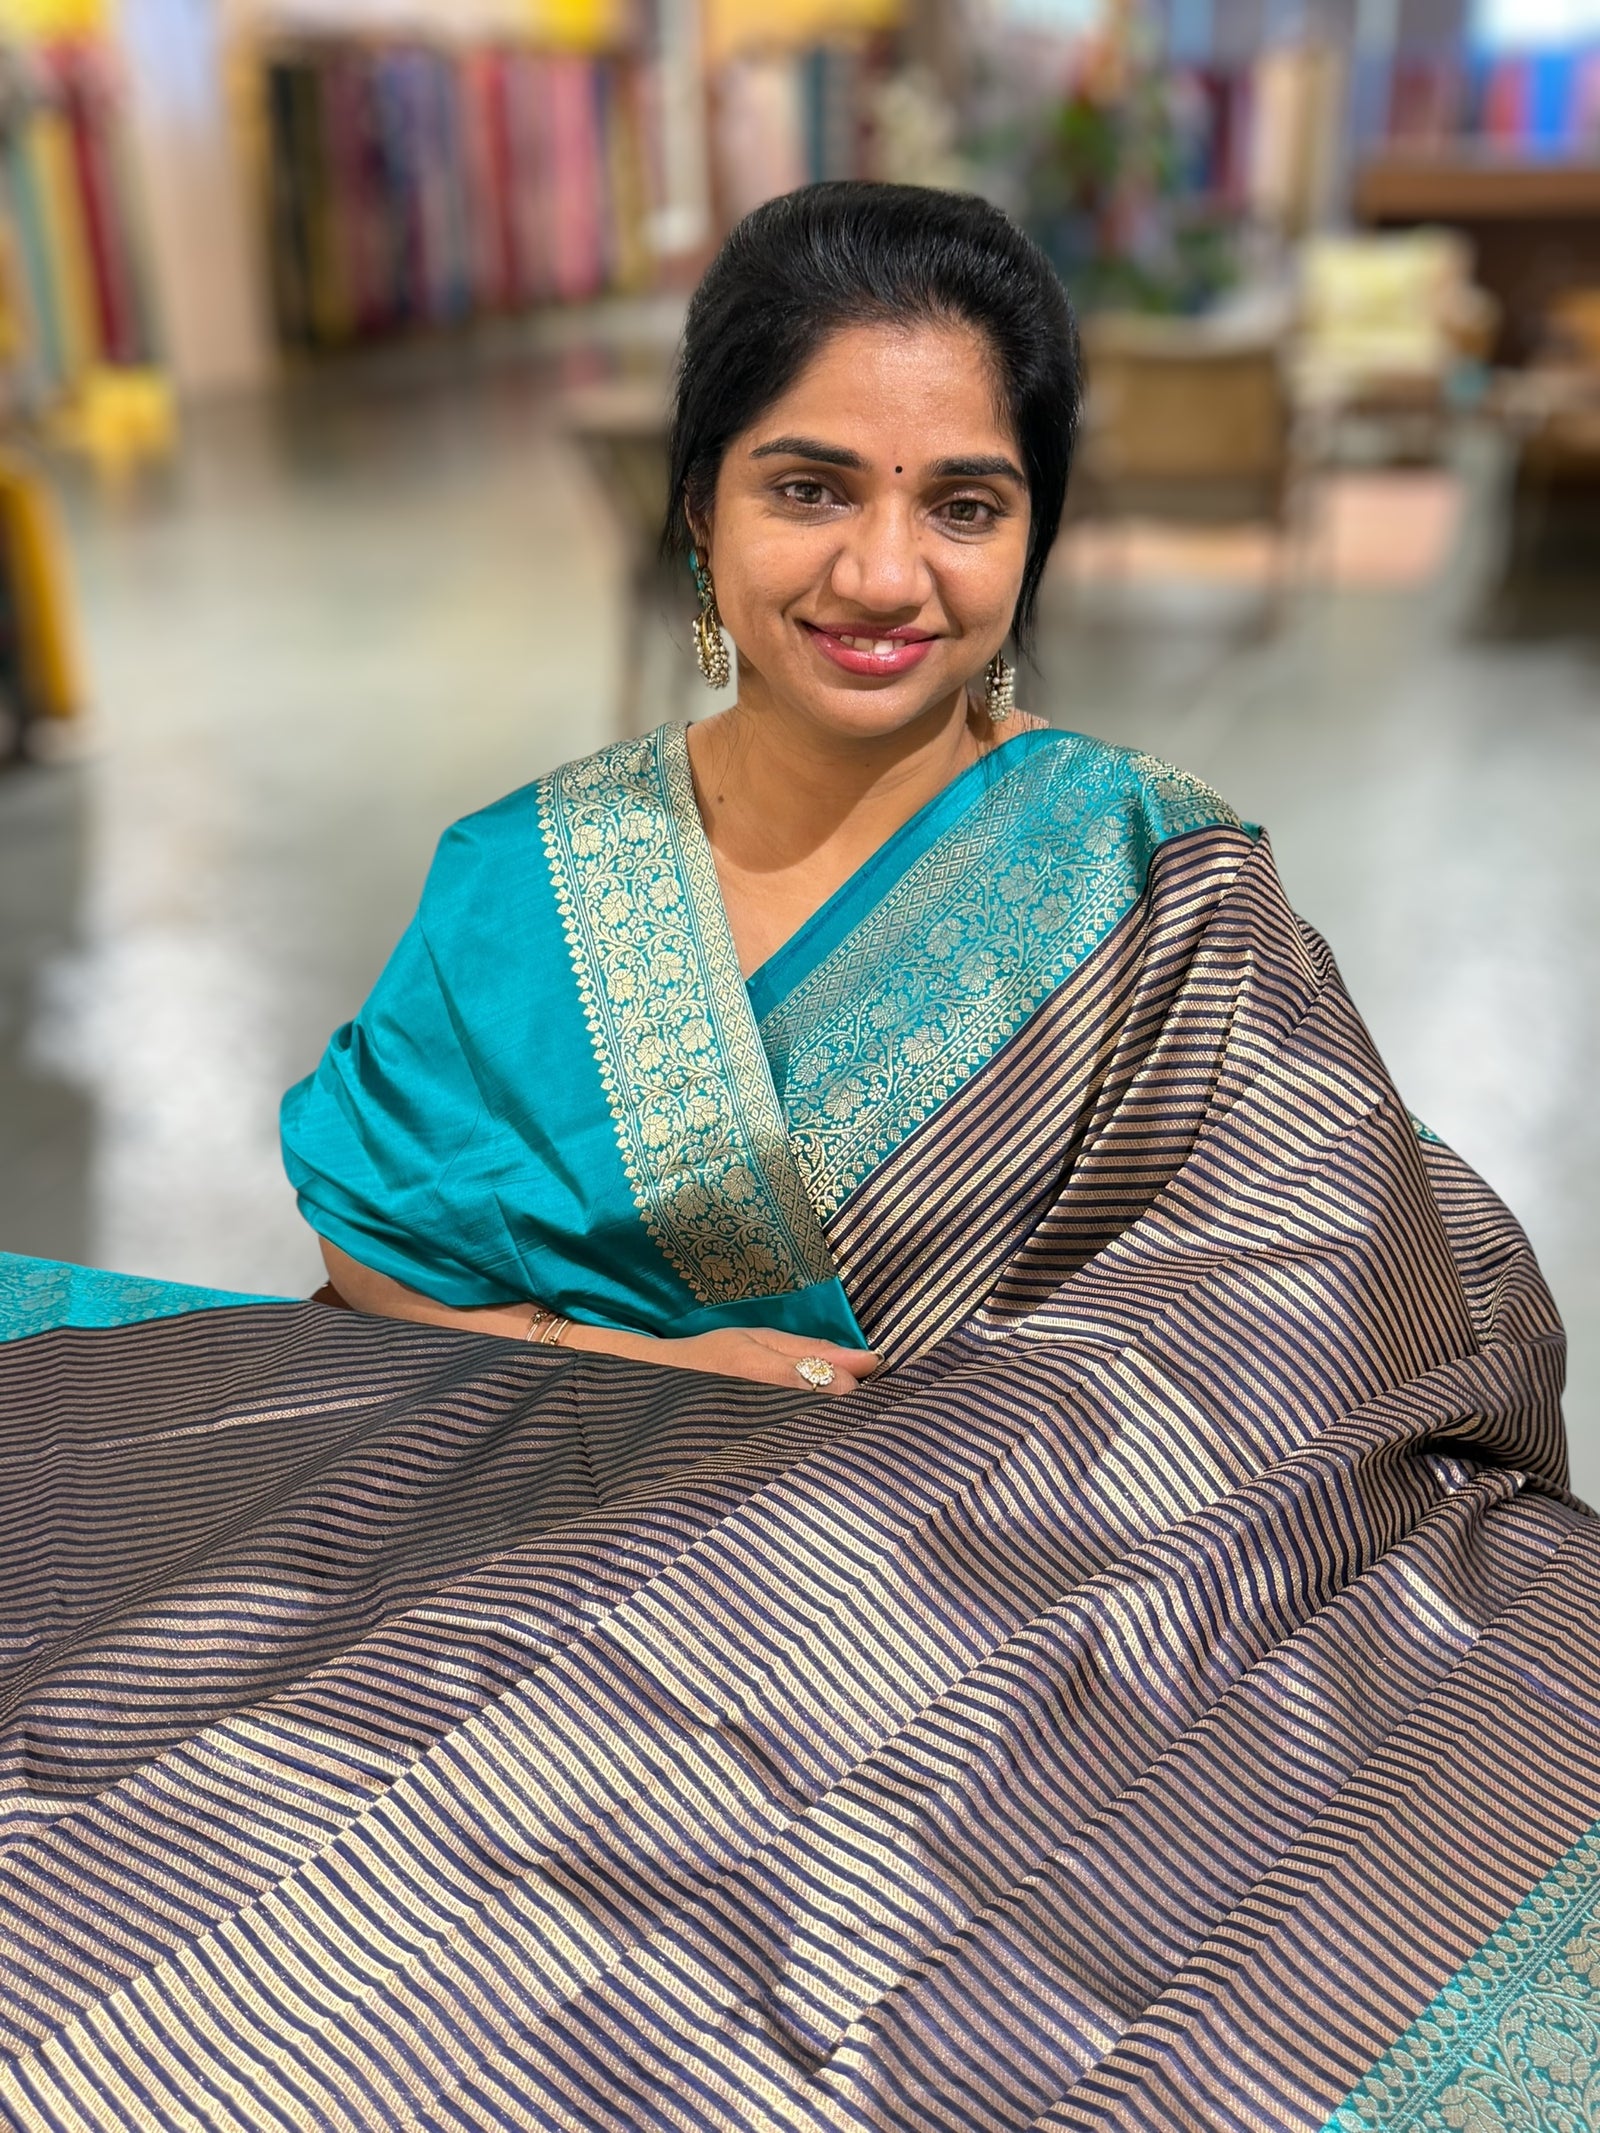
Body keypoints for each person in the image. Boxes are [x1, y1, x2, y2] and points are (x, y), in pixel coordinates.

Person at [0, 183, 1591, 2131]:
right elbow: (384, 1253)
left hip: (1009, 1613)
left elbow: (1321, 1291)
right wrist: (649, 1372)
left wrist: (910, 1473)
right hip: (541, 1549)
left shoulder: (1144, 867)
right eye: (810, 485)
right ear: (698, 500)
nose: (884, 572)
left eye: (966, 503)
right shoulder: (526, 873)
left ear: (1034, 530)